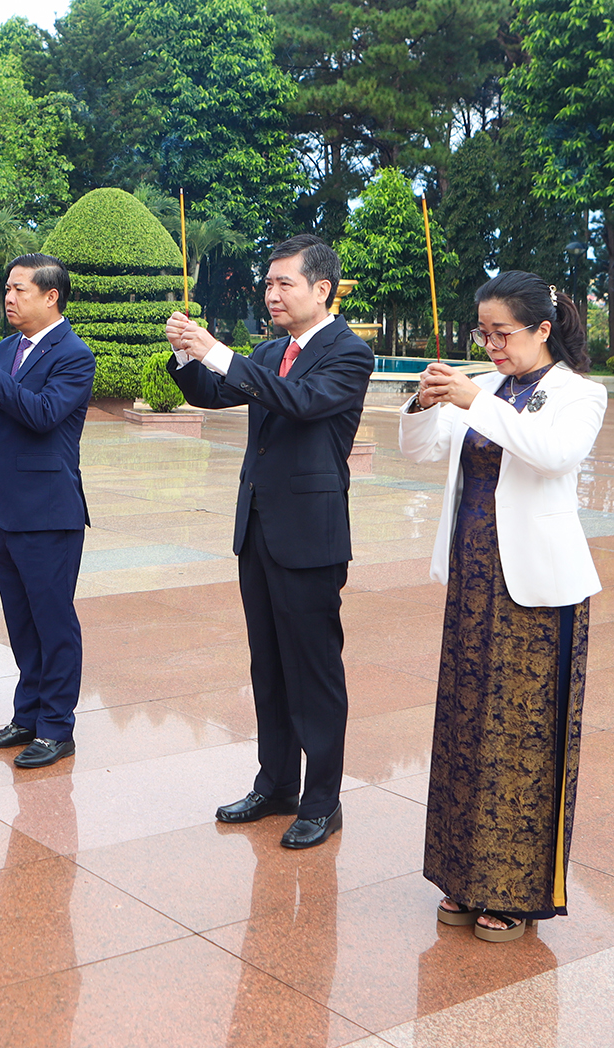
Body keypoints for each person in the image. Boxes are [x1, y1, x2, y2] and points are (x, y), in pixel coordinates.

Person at [398, 271, 608, 941]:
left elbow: (551, 454)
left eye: (501, 333)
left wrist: (474, 401)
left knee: (522, 739)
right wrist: (427, 402)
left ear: (542, 329)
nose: (489, 345)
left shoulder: (580, 394)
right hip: (472, 581)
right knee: (465, 728)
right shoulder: (483, 388)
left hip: (537, 593)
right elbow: (422, 449)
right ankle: (463, 875)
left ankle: (515, 891)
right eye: (480, 333)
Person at [164, 234, 372, 850]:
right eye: (269, 283)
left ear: (322, 290)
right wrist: (187, 357)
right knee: (270, 666)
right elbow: (214, 392)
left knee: (314, 672)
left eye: (285, 283)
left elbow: (302, 403)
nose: (271, 294)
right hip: (257, 527)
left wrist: (221, 354)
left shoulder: (347, 354)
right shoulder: (268, 349)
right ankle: (276, 782)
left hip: (310, 535)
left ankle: (322, 799)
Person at [0, 254, 96, 769]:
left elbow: (43, 414)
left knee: (54, 623)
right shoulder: (8, 346)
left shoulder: (74, 354)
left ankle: (57, 727)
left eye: (19, 290)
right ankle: (27, 715)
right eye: (7, 289)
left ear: (51, 296)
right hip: (4, 506)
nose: (9, 298)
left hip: (49, 511)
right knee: (21, 621)